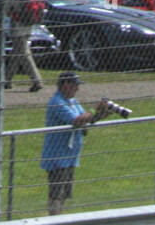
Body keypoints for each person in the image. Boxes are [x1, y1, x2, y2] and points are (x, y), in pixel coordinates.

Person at [40, 72, 113, 215]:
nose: (77, 89)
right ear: (66, 85)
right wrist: (94, 109)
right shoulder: (57, 102)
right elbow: (77, 120)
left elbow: (86, 120)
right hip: (57, 157)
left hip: (69, 156)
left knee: (64, 194)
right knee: (56, 194)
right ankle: (53, 222)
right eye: (75, 85)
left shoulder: (73, 101)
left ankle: (58, 219)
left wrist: (102, 113)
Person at [5, 0, 44, 93]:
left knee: (24, 54)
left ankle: (37, 81)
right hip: (29, 24)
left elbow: (7, 10)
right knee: (17, 53)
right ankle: (7, 80)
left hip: (17, 26)